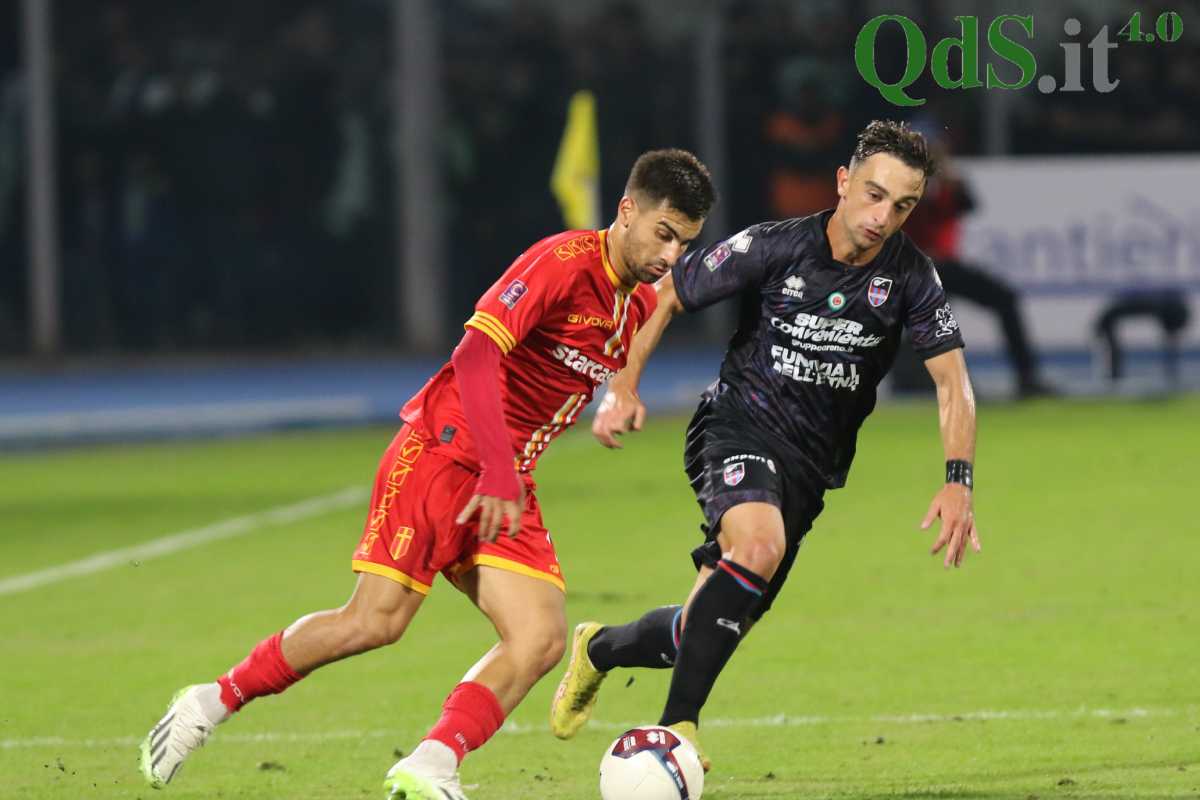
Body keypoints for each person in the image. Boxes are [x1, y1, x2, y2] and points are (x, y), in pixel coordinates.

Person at [138, 149, 715, 799]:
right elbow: (473, 354)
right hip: (443, 454)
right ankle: (210, 701)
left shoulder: (631, 301)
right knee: (375, 622)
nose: (671, 255)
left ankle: (431, 764)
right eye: (664, 235)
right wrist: (498, 468)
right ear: (627, 211)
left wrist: (623, 391)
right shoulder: (559, 264)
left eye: (685, 244)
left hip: (503, 479)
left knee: (540, 636)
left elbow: (642, 322)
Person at [550, 121, 981, 771]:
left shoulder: (913, 278)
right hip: (737, 427)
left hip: (809, 471)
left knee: (703, 627)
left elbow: (953, 384)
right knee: (756, 546)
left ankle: (600, 648)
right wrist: (624, 387)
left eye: (902, 205)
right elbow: (668, 292)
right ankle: (677, 731)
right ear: (843, 182)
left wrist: (958, 480)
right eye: (872, 194)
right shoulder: (775, 247)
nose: (881, 216)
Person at [902, 128, 1054, 399]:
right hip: (916, 268)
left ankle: (1027, 377)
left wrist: (946, 175)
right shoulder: (902, 184)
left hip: (944, 265)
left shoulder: (950, 182)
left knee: (1004, 299)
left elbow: (968, 205)